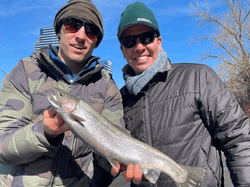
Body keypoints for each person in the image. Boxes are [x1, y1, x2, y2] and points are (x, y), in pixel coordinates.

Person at [111, 2, 250, 187]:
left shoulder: (199, 77)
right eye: (129, 41)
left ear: (158, 42)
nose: (139, 47)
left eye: (146, 38)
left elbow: (239, 139)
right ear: (122, 50)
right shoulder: (118, 99)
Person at [0, 0, 125, 186]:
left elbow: (109, 156)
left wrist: (121, 163)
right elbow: (3, 146)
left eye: (91, 30)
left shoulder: (107, 86)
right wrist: (43, 132)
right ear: (59, 30)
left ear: (96, 41)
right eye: (72, 25)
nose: (81, 36)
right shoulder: (25, 71)